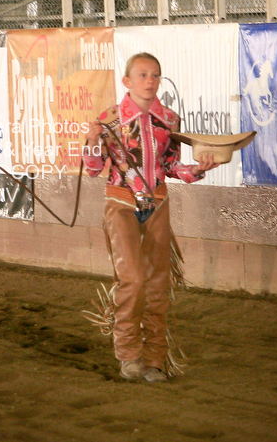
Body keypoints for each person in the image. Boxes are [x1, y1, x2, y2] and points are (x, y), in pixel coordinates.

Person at [83, 52, 219, 383]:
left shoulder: (169, 120)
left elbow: (170, 165)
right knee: (133, 279)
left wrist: (197, 170)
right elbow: (94, 170)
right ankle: (129, 355)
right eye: (143, 75)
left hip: (157, 203)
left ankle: (155, 359)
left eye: (155, 75)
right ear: (127, 81)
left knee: (158, 284)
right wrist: (91, 141)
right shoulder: (108, 120)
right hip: (120, 202)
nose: (150, 81)